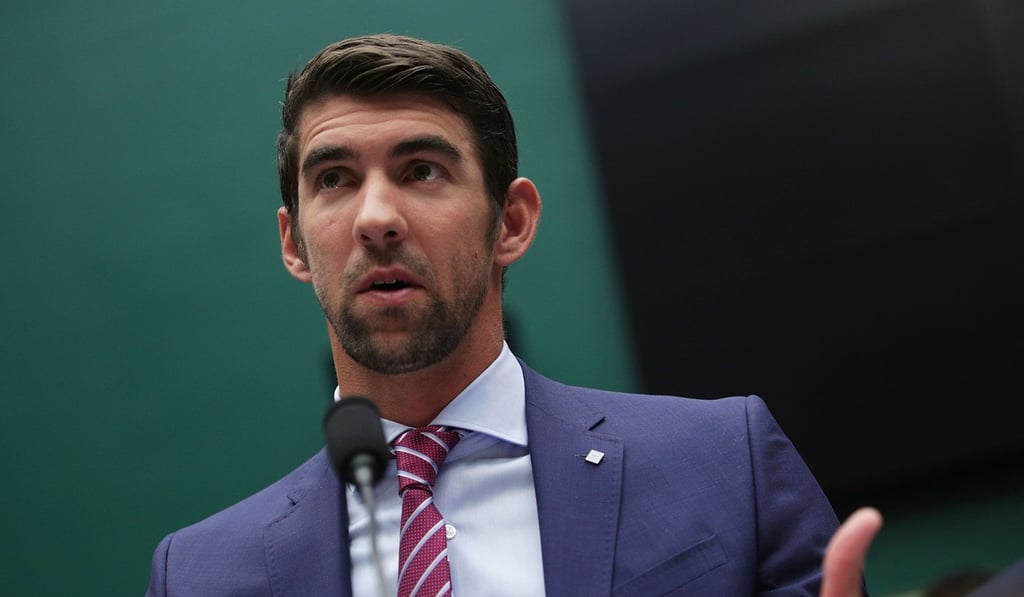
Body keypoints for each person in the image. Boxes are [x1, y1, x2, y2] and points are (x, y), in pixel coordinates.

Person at [146, 34, 872, 596]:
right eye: (334, 179)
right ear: (293, 242)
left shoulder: (724, 463)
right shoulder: (200, 574)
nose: (375, 217)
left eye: (421, 170)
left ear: (512, 222)